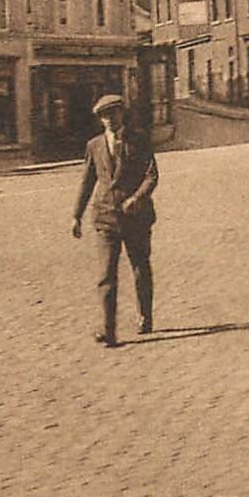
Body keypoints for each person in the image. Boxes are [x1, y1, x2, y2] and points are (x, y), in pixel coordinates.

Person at [72, 94, 158, 347]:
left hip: (136, 218)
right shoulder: (94, 146)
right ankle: (108, 330)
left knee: (140, 268)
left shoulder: (139, 140)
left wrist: (137, 198)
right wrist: (75, 215)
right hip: (106, 217)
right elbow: (87, 181)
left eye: (113, 114)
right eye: (104, 116)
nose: (109, 119)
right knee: (106, 275)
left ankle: (145, 316)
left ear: (122, 115)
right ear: (99, 119)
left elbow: (151, 175)